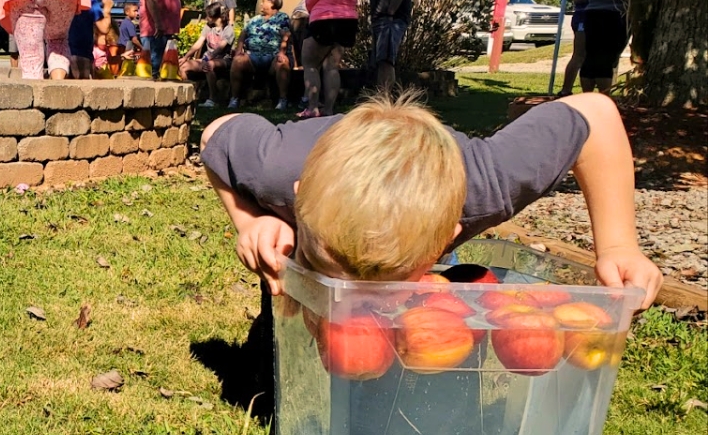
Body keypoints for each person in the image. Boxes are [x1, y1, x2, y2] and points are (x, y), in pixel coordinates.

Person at [197, 91, 662, 310]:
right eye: (330, 273)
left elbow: (594, 116)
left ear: (446, 238)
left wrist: (619, 245)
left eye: (379, 290)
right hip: (310, 169)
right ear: (297, 201)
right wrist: (251, 220)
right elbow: (216, 133)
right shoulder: (277, 166)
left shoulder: (488, 182)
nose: (356, 308)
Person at [297, 0, 362, 119]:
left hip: (325, 21)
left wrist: (311, 12)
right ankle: (329, 109)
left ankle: (312, 107)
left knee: (310, 64)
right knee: (332, 67)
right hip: (348, 23)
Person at [227, 0, 292, 110]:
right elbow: (243, 34)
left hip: (273, 57)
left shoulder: (282, 17)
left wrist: (282, 52)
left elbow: (286, 36)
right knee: (237, 61)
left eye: (264, 1)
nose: (261, 4)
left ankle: (283, 100)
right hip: (253, 57)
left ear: (273, 2)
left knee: (283, 63)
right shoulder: (255, 19)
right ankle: (234, 98)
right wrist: (238, 50)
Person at [558, 0, 603, 96]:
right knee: (579, 55)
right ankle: (566, 89)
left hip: (595, 19)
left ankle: (590, 91)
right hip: (583, 19)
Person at [179, 2, 233, 107]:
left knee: (209, 65)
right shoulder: (208, 27)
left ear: (215, 16)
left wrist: (209, 57)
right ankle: (189, 96)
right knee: (183, 66)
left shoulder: (228, 29)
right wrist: (186, 57)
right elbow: (199, 43)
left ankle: (212, 99)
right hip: (207, 58)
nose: (206, 17)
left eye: (208, 15)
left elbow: (221, 47)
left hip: (223, 60)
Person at [68, 0, 114, 79]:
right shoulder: (91, 3)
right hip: (83, 54)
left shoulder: (68, 2)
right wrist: (107, 9)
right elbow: (104, 28)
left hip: (66, 51)